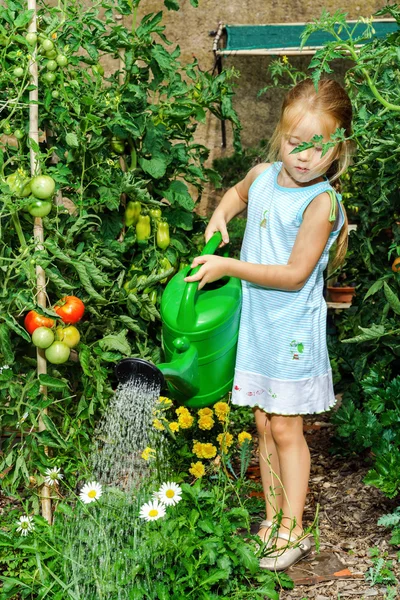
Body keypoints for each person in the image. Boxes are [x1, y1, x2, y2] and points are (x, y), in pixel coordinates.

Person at [184, 78, 353, 571]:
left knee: (286, 429)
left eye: (318, 146)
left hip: (291, 333)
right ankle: (273, 519)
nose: (303, 157)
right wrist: (219, 216)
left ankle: (294, 529)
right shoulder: (262, 175)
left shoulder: (320, 203)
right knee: (262, 422)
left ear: (338, 146)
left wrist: (229, 266)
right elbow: (236, 195)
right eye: (294, 143)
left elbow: (295, 275)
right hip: (260, 327)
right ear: (279, 134)